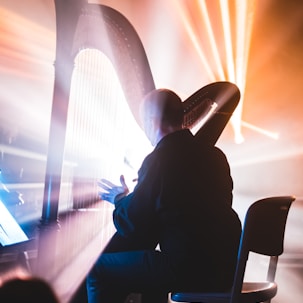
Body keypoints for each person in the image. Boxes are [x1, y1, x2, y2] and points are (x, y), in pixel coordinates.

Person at [86, 88, 242, 303]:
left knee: (97, 269)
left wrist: (119, 198)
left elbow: (133, 224)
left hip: (187, 271)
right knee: (154, 262)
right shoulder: (215, 155)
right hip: (225, 270)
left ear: (151, 121)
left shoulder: (159, 159)